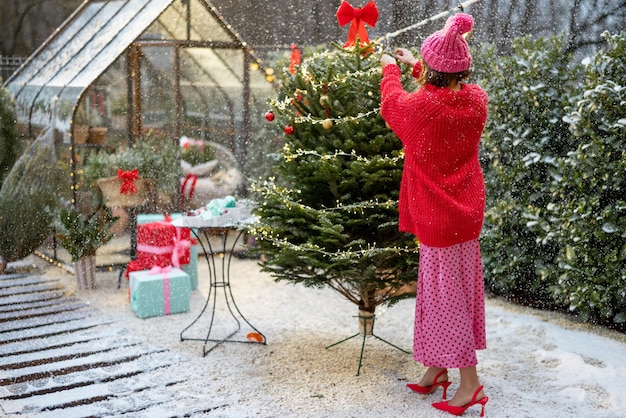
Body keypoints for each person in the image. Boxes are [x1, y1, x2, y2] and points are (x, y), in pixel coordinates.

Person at [379, 13, 489, 417]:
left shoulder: (421, 108)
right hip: (466, 214)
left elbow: (394, 106)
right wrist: (415, 66)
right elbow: (441, 91)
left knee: (446, 302)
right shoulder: (476, 100)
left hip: (439, 219)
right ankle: (436, 369)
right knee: (453, 293)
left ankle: (470, 385)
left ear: (431, 69)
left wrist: (390, 70)